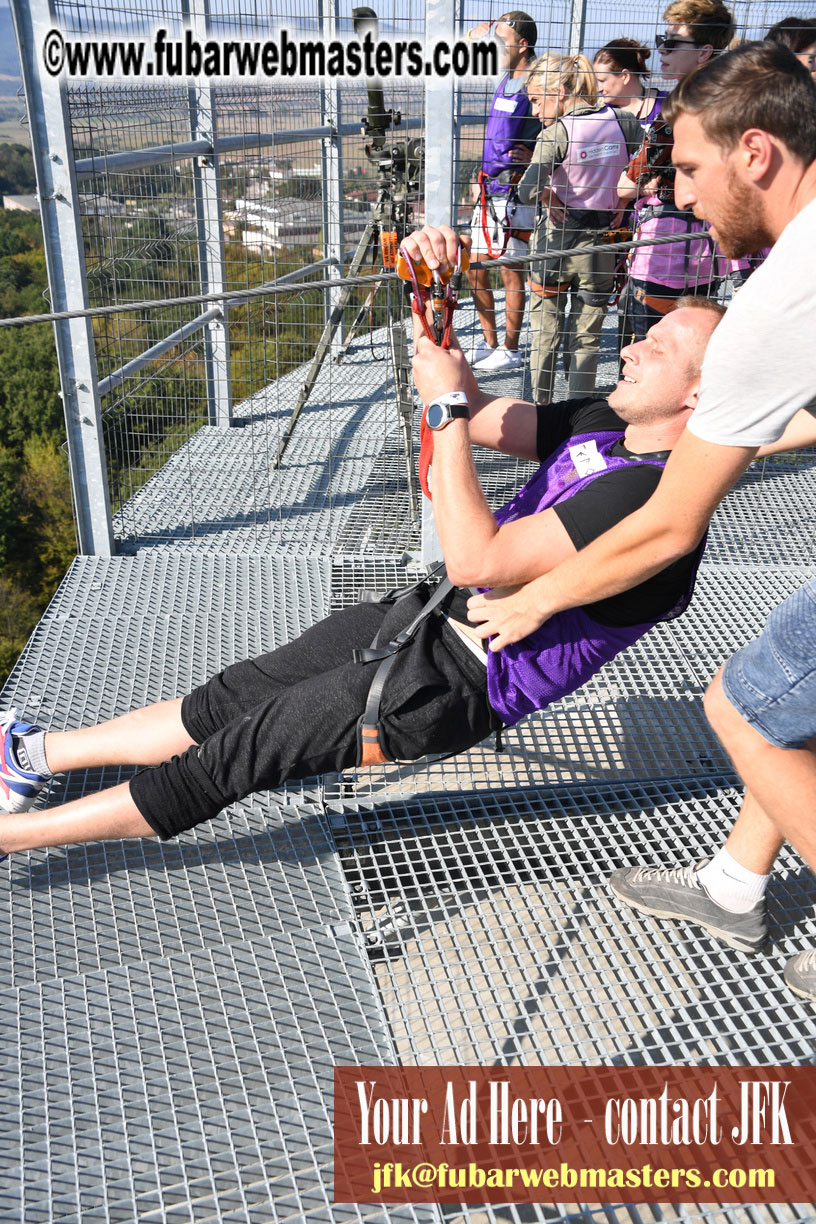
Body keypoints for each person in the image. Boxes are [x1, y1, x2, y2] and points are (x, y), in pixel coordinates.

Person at [0, 230, 725, 855]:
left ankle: (13, 837)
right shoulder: (606, 421)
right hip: (429, 615)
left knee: (240, 752)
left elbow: (478, 555)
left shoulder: (647, 493)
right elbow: (477, 414)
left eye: (656, 347)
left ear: (698, 395)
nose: (630, 347)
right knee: (234, 696)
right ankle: (34, 754)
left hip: (454, 683)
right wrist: (432, 289)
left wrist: (442, 408)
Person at [465, 43, 816, 1001]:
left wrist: (538, 599)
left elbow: (668, 526)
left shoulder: (776, 304)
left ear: (756, 151)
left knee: (745, 708)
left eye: (692, 170)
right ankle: (738, 885)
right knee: (797, 712)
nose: (684, 199)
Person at [516, 52, 643, 404]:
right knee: (586, 336)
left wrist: (547, 197)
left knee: (545, 333)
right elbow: (641, 167)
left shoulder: (557, 133)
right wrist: (621, 201)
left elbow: (526, 191)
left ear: (561, 90)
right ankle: (579, 416)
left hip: (554, 243)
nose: (536, 111)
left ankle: (540, 411)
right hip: (602, 241)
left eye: (538, 100)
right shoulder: (624, 122)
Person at [616, 0, 736, 348]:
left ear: (704, 52)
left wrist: (647, 184)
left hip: (661, 255)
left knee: (646, 354)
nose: (661, 51)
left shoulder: (676, 110)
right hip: (711, 256)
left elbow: (625, 186)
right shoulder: (730, 102)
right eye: (661, 39)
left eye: (671, 42)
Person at [465, 11, 540, 372]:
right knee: (475, 266)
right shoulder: (505, 78)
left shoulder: (537, 81)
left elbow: (557, 121)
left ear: (522, 44)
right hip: (488, 186)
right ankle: (489, 340)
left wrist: (534, 157)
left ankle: (510, 349)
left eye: (502, 41)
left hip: (514, 190)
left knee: (511, 270)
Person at [593, 39, 665, 126]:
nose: (598, 89)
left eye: (602, 81)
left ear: (625, 76)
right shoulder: (600, 115)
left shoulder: (669, 105)